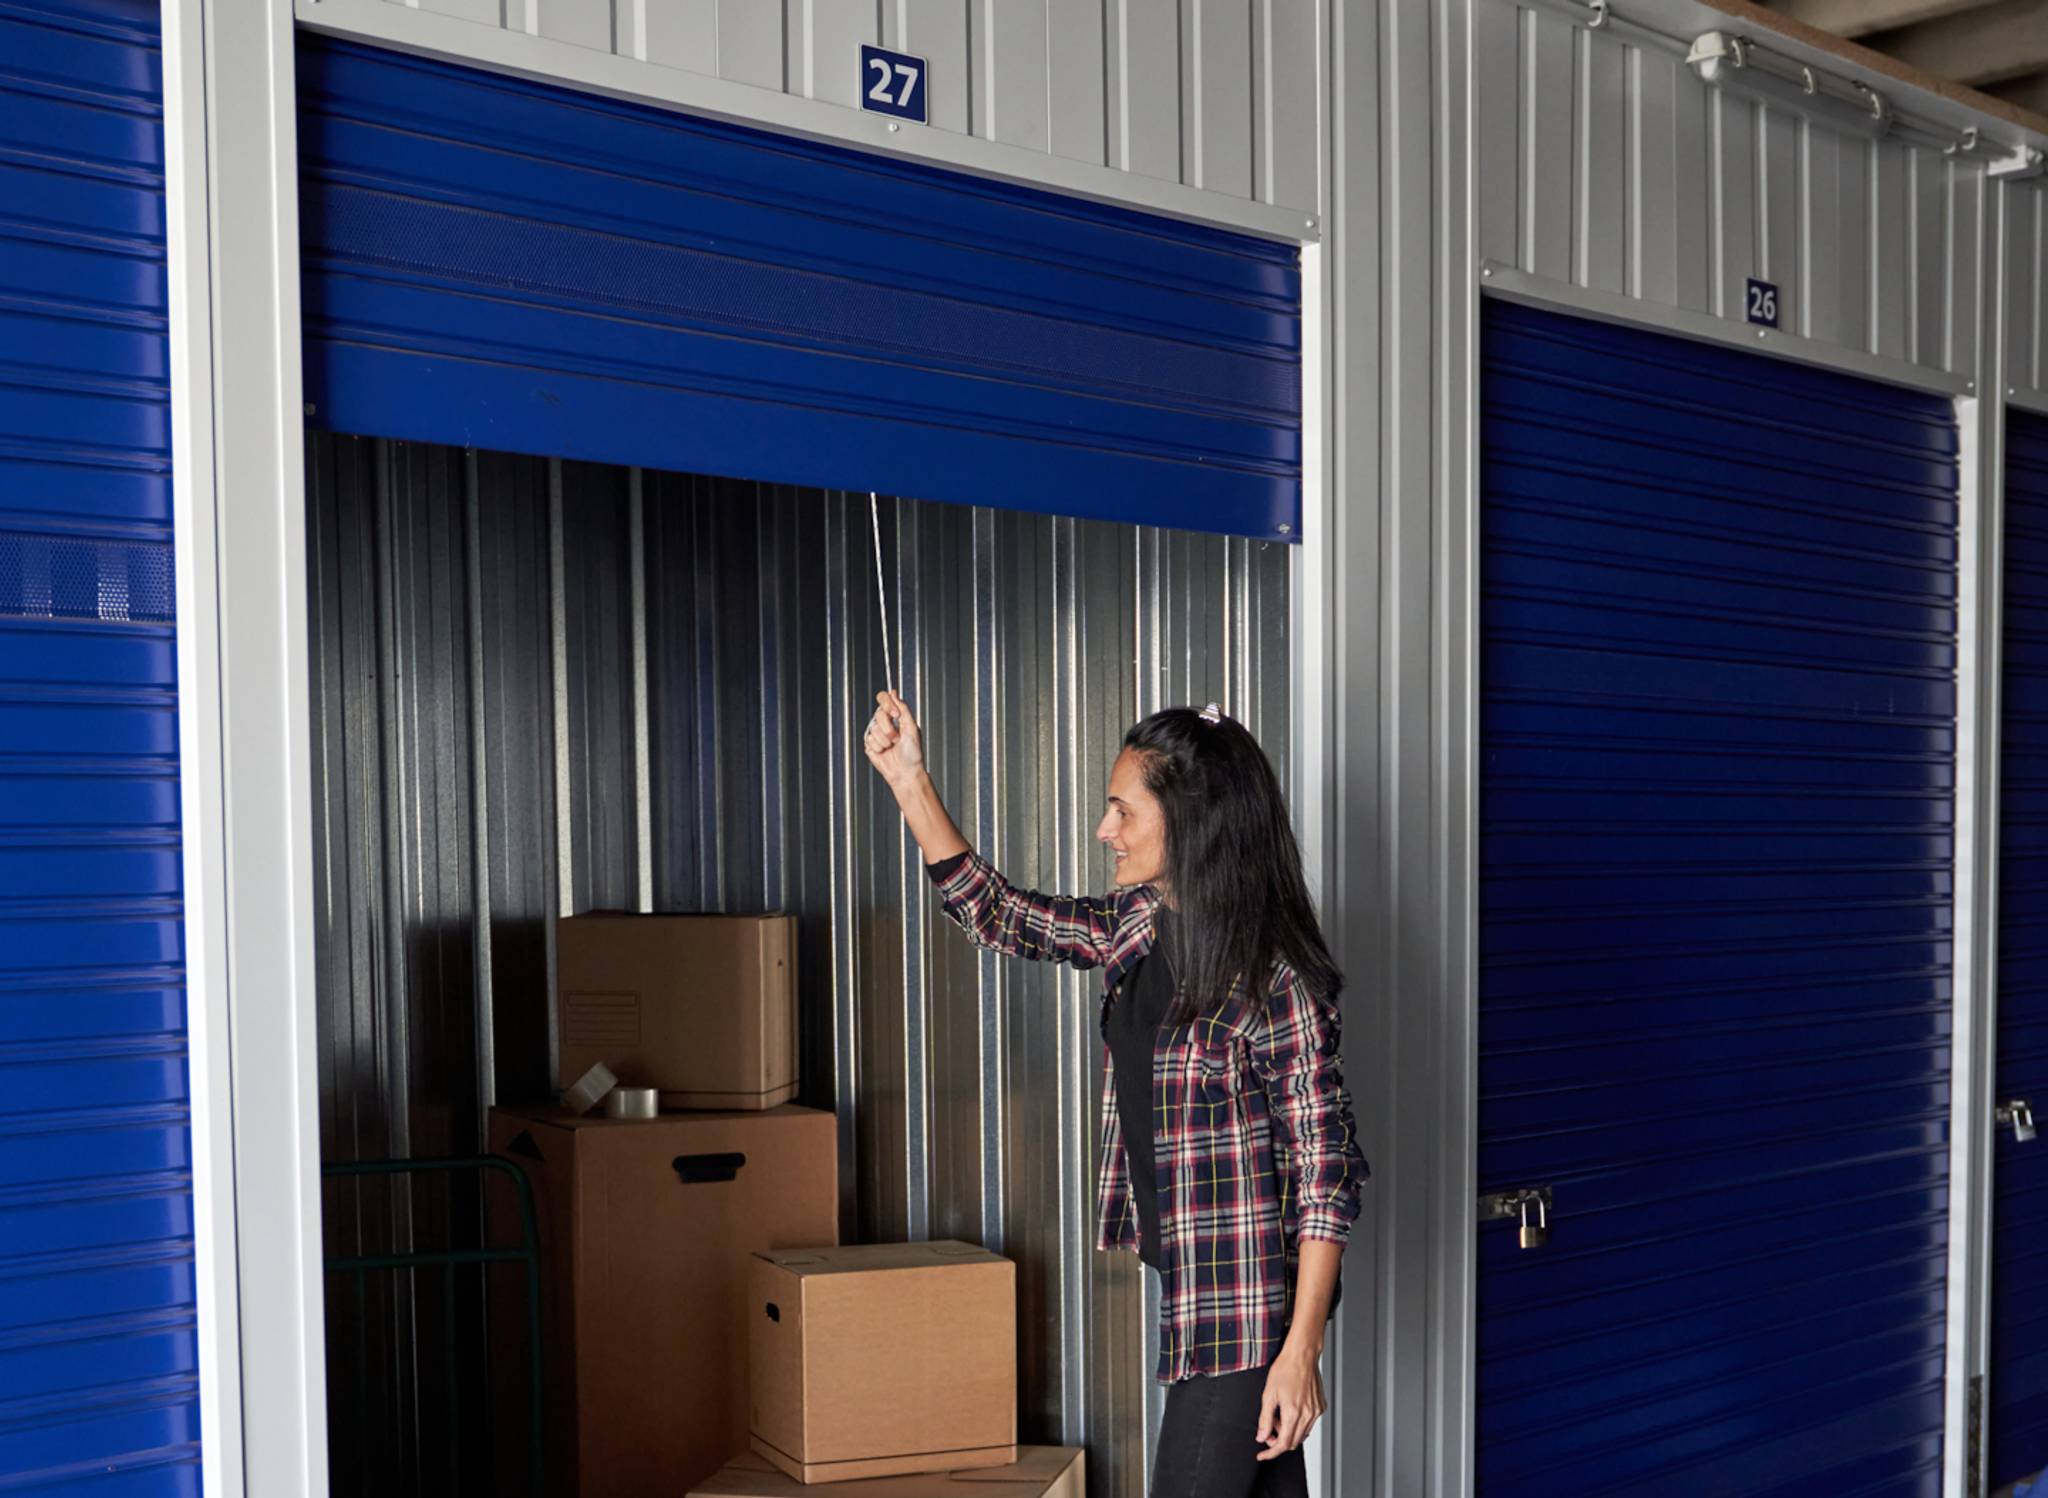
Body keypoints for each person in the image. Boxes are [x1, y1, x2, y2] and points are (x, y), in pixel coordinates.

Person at [862, 689, 1368, 1498]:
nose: (1105, 831)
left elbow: (1326, 1173)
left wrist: (1299, 1352)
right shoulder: (1140, 923)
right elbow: (998, 915)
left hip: (1244, 1306)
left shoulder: (1276, 978)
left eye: (1122, 812)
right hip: (1192, 1275)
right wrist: (909, 781)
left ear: (1191, 820)